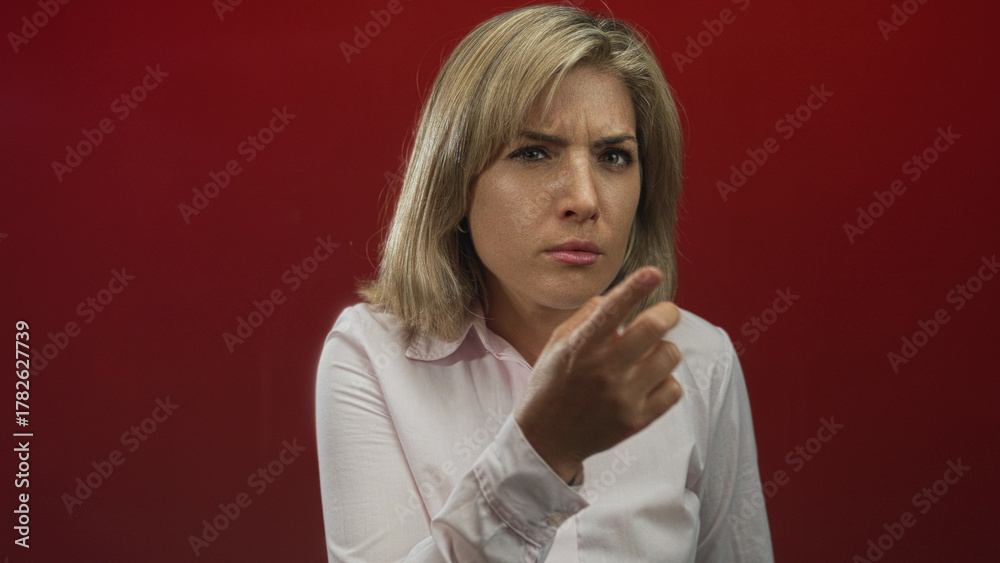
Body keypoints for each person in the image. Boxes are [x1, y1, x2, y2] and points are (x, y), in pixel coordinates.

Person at [315, 4, 774, 562]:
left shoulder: (700, 360)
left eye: (614, 156)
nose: (584, 198)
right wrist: (543, 452)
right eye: (533, 153)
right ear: (454, 182)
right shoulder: (371, 355)